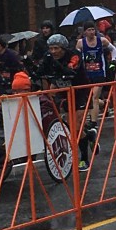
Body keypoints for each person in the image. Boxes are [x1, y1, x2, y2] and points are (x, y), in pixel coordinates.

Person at [38, 33, 94, 172]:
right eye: (51, 48)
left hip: (80, 91)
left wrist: (56, 65)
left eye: (56, 48)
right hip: (62, 89)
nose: (53, 52)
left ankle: (84, 159)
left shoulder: (74, 55)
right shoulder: (48, 56)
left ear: (63, 48)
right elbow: (40, 72)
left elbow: (70, 71)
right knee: (67, 123)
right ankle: (89, 133)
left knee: (75, 127)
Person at [76, 21, 116, 140]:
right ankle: (104, 104)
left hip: (99, 73)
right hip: (86, 74)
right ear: (84, 32)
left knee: (93, 97)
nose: (91, 32)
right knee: (90, 98)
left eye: (93, 30)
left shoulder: (102, 41)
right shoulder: (80, 43)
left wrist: (113, 61)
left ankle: (93, 123)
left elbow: (113, 50)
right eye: (88, 30)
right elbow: (76, 57)